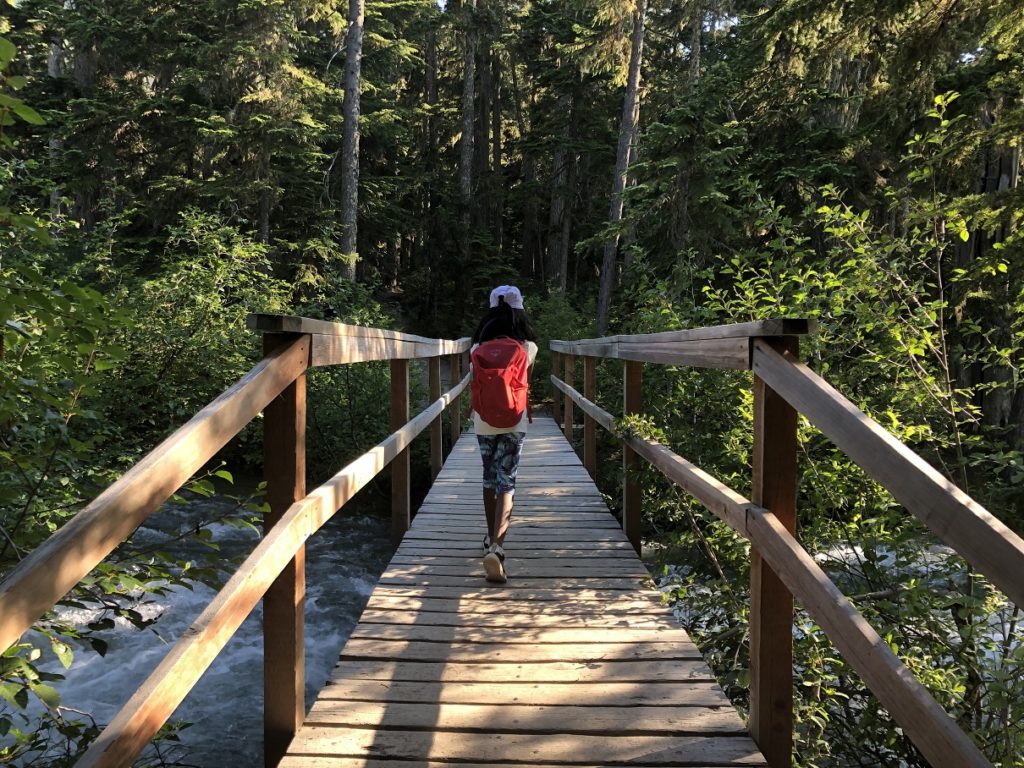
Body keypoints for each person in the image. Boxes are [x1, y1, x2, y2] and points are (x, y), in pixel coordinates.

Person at [469, 285, 539, 583]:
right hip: (514, 420)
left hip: (483, 420)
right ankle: (497, 549)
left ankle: (489, 538)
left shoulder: (476, 348)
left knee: (489, 477)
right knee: (506, 480)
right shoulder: (528, 347)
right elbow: (526, 384)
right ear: (519, 311)